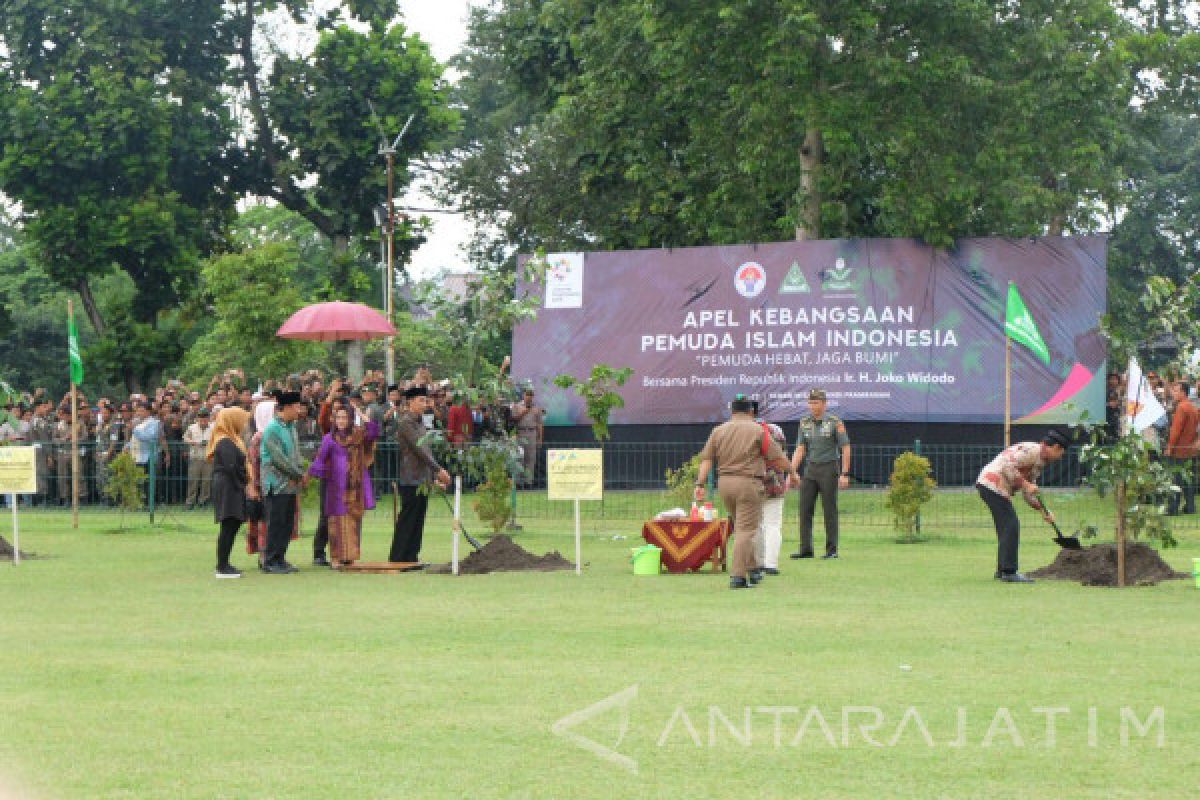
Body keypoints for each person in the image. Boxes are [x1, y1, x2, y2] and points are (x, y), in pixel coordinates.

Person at [694, 395, 796, 590]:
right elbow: (777, 458)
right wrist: (793, 472)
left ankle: (753, 569)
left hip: (724, 484)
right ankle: (738, 576)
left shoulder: (718, 431)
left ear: (731, 412)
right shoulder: (758, 430)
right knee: (746, 530)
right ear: (751, 412)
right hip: (748, 483)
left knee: (741, 526)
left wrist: (700, 483)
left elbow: (706, 459)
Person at [976, 430, 1069, 583]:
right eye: (1061, 453)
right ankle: (1009, 572)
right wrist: (1026, 484)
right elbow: (1006, 465)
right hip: (991, 484)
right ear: (1056, 447)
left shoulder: (1040, 463)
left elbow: (1028, 494)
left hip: (996, 488)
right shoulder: (1032, 450)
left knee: (1007, 527)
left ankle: (1002, 571)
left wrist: (1042, 510)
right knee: (1011, 525)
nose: (1060, 457)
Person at [308, 406, 380, 567]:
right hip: (336, 486)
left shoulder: (358, 435)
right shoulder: (329, 438)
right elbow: (320, 459)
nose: (341, 421)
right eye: (338, 417)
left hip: (356, 486)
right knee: (336, 521)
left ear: (350, 419)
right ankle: (336, 557)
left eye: (345, 418)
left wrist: (363, 416)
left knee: (354, 520)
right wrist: (313, 474)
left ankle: (349, 556)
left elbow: (374, 433)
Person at [390, 386, 451, 564]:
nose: (425, 404)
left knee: (418, 519)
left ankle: (411, 556)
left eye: (425, 400)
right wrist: (439, 470)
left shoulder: (420, 422)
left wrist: (432, 477)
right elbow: (420, 449)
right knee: (408, 519)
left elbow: (428, 452)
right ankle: (398, 557)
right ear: (410, 402)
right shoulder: (405, 422)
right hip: (410, 477)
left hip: (423, 477)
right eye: (421, 400)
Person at [790, 388, 851, 560]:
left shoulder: (834, 422)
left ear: (824, 404)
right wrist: (791, 471)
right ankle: (806, 549)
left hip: (829, 468)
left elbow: (845, 447)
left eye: (816, 402)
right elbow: (800, 449)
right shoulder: (804, 422)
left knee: (829, 510)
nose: (813, 406)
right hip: (810, 469)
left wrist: (845, 473)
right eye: (810, 402)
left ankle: (832, 550)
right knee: (804, 509)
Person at [259, 391, 309, 574]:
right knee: (276, 523)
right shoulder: (272, 428)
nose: (299, 410)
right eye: (296, 407)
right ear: (286, 407)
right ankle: (270, 560)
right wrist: (298, 473)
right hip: (276, 484)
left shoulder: (291, 427)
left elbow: (295, 455)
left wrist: (300, 472)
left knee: (288, 523)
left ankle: (280, 558)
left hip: (290, 484)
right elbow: (278, 458)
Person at [207, 407, 254, 579]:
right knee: (228, 525)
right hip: (228, 487)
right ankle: (222, 565)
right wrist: (245, 481)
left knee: (232, 525)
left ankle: (225, 563)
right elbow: (231, 467)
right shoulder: (224, 441)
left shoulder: (232, 440)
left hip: (231, 485)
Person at [755, 414, 789, 575]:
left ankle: (759, 562)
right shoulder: (776, 430)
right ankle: (771, 564)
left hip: (753, 483)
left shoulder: (747, 432)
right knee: (773, 525)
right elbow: (783, 456)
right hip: (774, 482)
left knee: (757, 525)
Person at [1165, 381, 1199, 515]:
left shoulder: (1181, 408)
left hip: (1178, 449)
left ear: (1183, 392)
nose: (1173, 393)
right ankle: (1190, 507)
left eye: (1175, 391)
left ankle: (1173, 508)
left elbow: (1176, 431)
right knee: (1187, 480)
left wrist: (1169, 447)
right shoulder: (1193, 407)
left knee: (1175, 480)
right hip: (1189, 449)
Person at [511, 388, 543, 487]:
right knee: (519, 457)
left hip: (532, 433)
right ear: (523, 396)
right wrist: (523, 412)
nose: (528, 398)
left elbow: (540, 424)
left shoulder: (537, 409)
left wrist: (540, 438)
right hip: (520, 433)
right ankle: (519, 483)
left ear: (532, 397)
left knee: (531, 458)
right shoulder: (517, 406)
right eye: (526, 395)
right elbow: (513, 420)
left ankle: (528, 482)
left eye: (530, 396)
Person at [184, 407, 214, 509]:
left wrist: (209, 444)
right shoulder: (191, 427)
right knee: (193, 480)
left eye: (205, 419)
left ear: (208, 419)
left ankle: (203, 501)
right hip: (195, 457)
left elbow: (216, 440)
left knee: (206, 481)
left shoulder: (213, 428)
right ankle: (190, 502)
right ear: (197, 418)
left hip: (208, 458)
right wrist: (193, 442)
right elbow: (185, 438)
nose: (203, 421)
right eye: (201, 419)